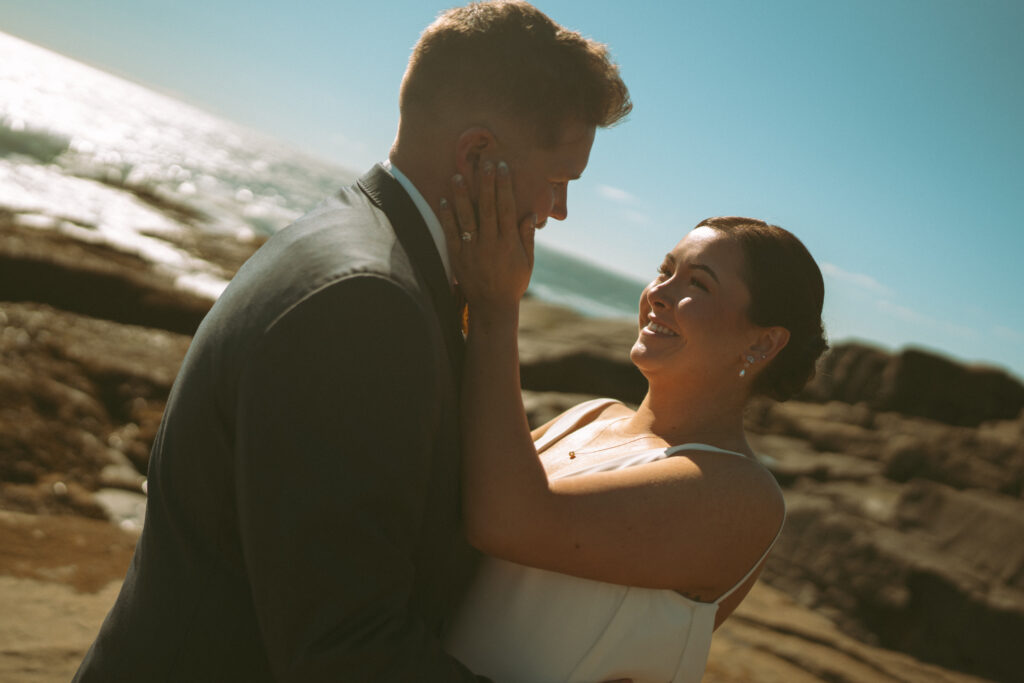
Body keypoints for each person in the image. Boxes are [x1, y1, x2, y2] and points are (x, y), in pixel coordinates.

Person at [72, 2, 630, 681]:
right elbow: (344, 649)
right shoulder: (367, 302)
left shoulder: (355, 236)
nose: (558, 212)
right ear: (477, 154)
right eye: (558, 182)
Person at [435, 165, 827, 682]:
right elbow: (448, 493)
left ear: (762, 342)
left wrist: (496, 307)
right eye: (665, 270)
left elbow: (507, 520)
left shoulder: (742, 494)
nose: (658, 293)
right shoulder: (590, 415)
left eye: (698, 284)